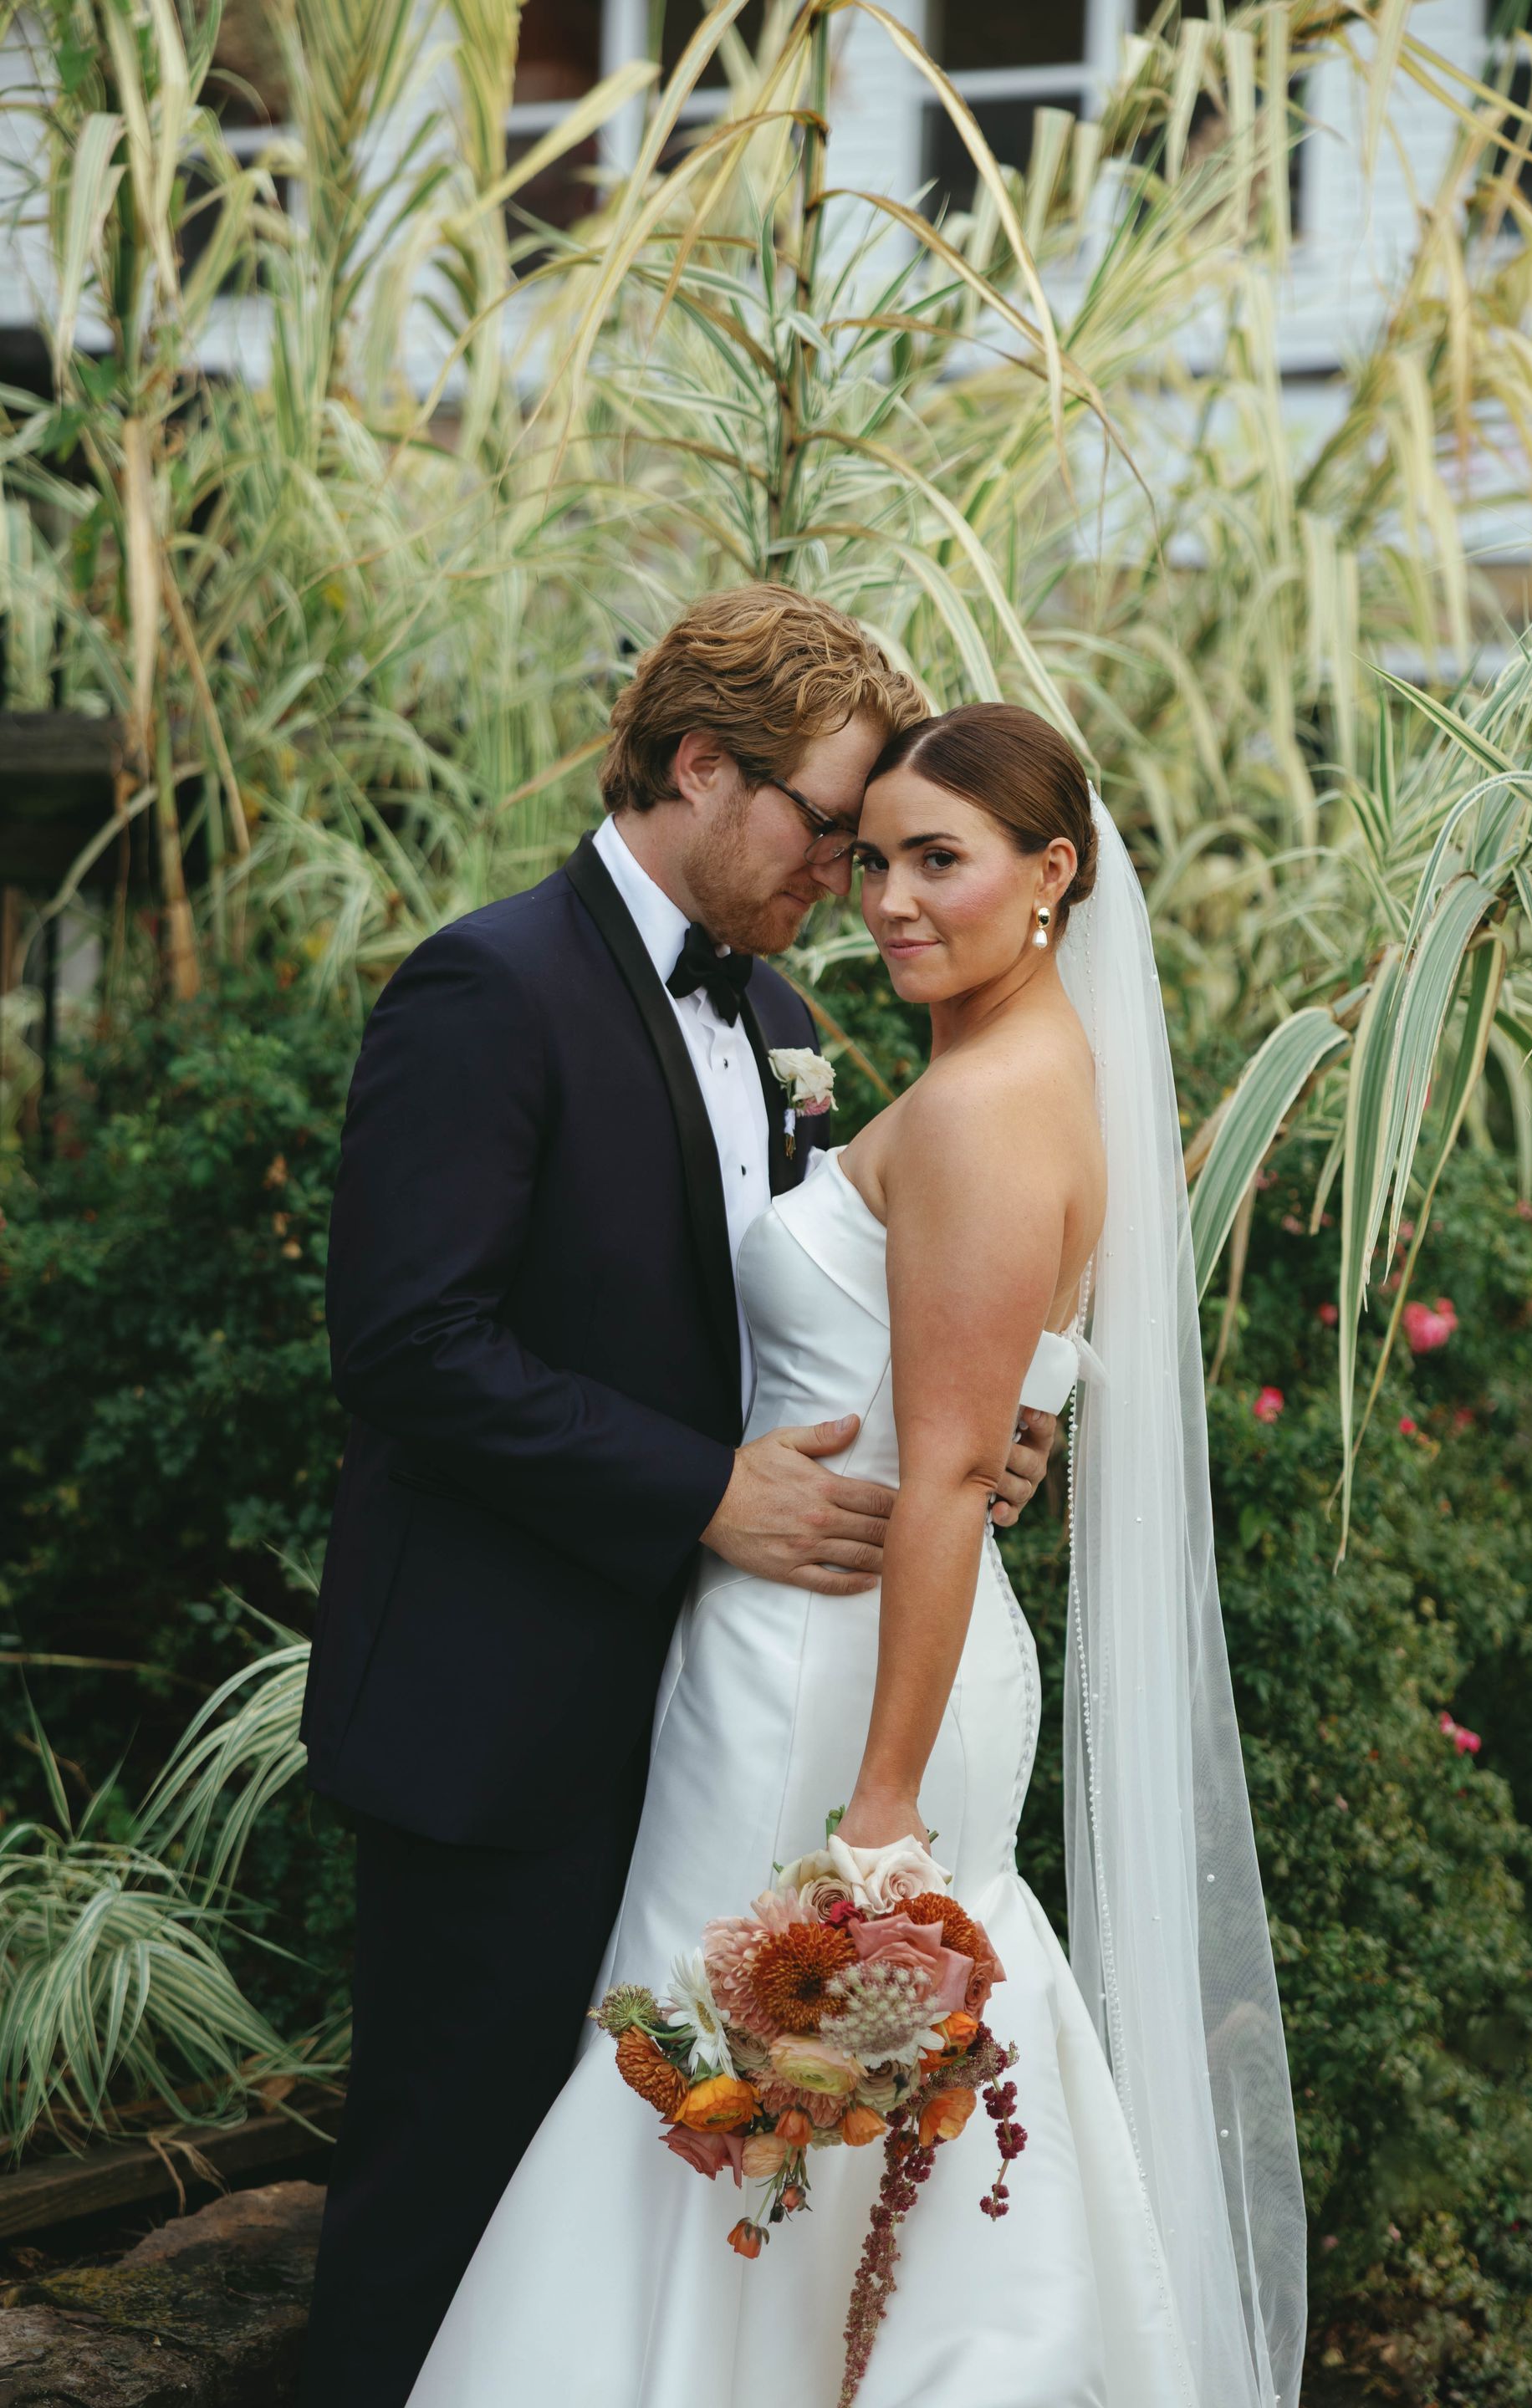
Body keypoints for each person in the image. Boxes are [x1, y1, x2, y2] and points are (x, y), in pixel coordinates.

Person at [406, 705, 1308, 2408]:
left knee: (742, 2093)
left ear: (1054, 874)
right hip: (842, 1635)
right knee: (793, 2111)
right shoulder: (1028, 1071)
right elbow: (977, 1404)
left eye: (936, 861)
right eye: (873, 856)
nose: (885, 897)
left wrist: (882, 1803)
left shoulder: (977, 1111)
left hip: (839, 1673)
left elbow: (956, 1466)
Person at [295, 594, 1059, 2408]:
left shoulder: (783, 1016)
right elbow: (409, 1344)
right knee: (446, 2196)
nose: (850, 879)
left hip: (716, 1723)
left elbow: (803, 1315)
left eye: (883, 844)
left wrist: (977, 1438)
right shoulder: (493, 985)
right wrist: (699, 1490)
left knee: (661, 2204)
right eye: (827, 827)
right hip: (501, 1713)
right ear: (698, 767)